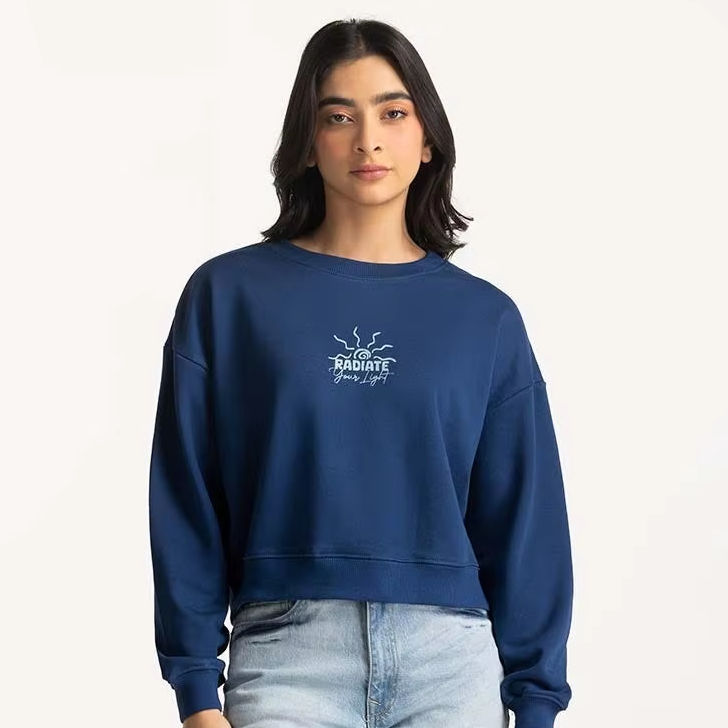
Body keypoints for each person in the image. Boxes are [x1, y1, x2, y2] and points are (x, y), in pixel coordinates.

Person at [148, 17, 574, 728]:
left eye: (393, 113)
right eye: (338, 116)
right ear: (308, 142)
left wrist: (535, 703)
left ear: (427, 137)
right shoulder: (229, 297)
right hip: (288, 657)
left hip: (451, 666)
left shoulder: (485, 318)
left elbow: (525, 517)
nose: (367, 139)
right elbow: (186, 493)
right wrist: (195, 689)